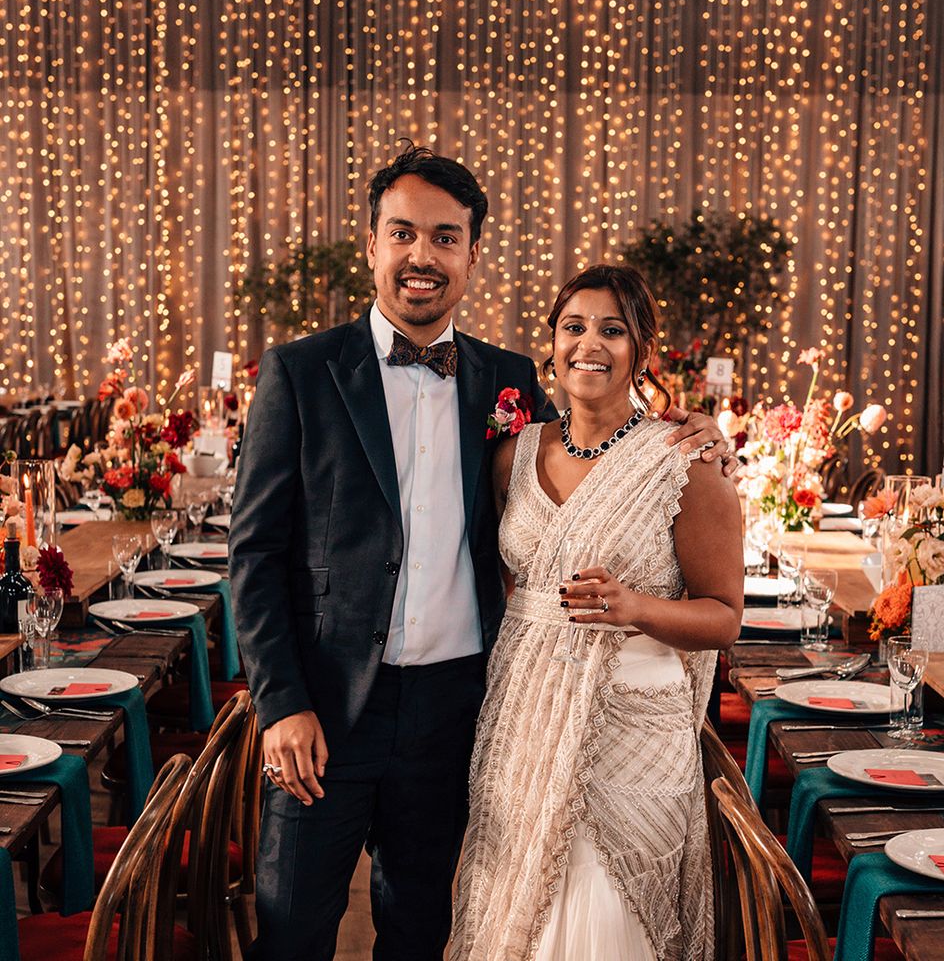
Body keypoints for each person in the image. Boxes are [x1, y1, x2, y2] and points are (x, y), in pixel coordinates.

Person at [230, 144, 733, 960]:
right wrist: (280, 702)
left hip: (458, 708)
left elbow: (589, 465)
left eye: (445, 237)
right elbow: (253, 557)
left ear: (471, 254)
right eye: (403, 234)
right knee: (291, 932)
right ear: (372, 243)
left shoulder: (507, 381)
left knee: (424, 927)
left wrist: (696, 432)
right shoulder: (301, 372)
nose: (422, 256)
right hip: (325, 706)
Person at [452, 264, 744, 961]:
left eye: (612, 330)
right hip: (526, 720)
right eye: (573, 327)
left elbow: (725, 616)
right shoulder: (514, 454)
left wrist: (635, 607)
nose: (590, 344)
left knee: (609, 913)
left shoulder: (685, 461)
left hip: (633, 734)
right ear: (553, 343)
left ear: (642, 350)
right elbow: (509, 588)